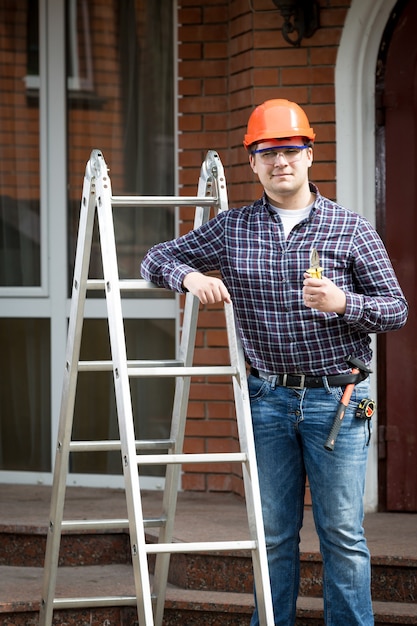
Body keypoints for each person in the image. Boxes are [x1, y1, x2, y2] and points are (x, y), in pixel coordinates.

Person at [141, 99, 408, 625]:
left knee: (343, 536)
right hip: (266, 400)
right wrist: (191, 278)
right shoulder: (233, 228)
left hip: (339, 401)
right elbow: (156, 258)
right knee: (273, 536)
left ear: (309, 155)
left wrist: (343, 303)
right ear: (253, 163)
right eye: (268, 153)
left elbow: (396, 309)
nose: (280, 161)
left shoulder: (349, 229)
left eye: (290, 149)